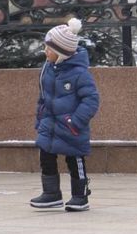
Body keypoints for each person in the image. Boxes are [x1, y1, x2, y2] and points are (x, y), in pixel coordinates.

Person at [30, 17, 100, 212]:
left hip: (71, 125)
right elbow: (43, 96)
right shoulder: (47, 69)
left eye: (49, 48)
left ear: (61, 53)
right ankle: (51, 194)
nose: (45, 51)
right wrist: (40, 117)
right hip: (49, 123)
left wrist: (75, 121)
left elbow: (91, 99)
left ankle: (80, 196)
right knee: (46, 155)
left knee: (74, 159)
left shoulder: (80, 73)